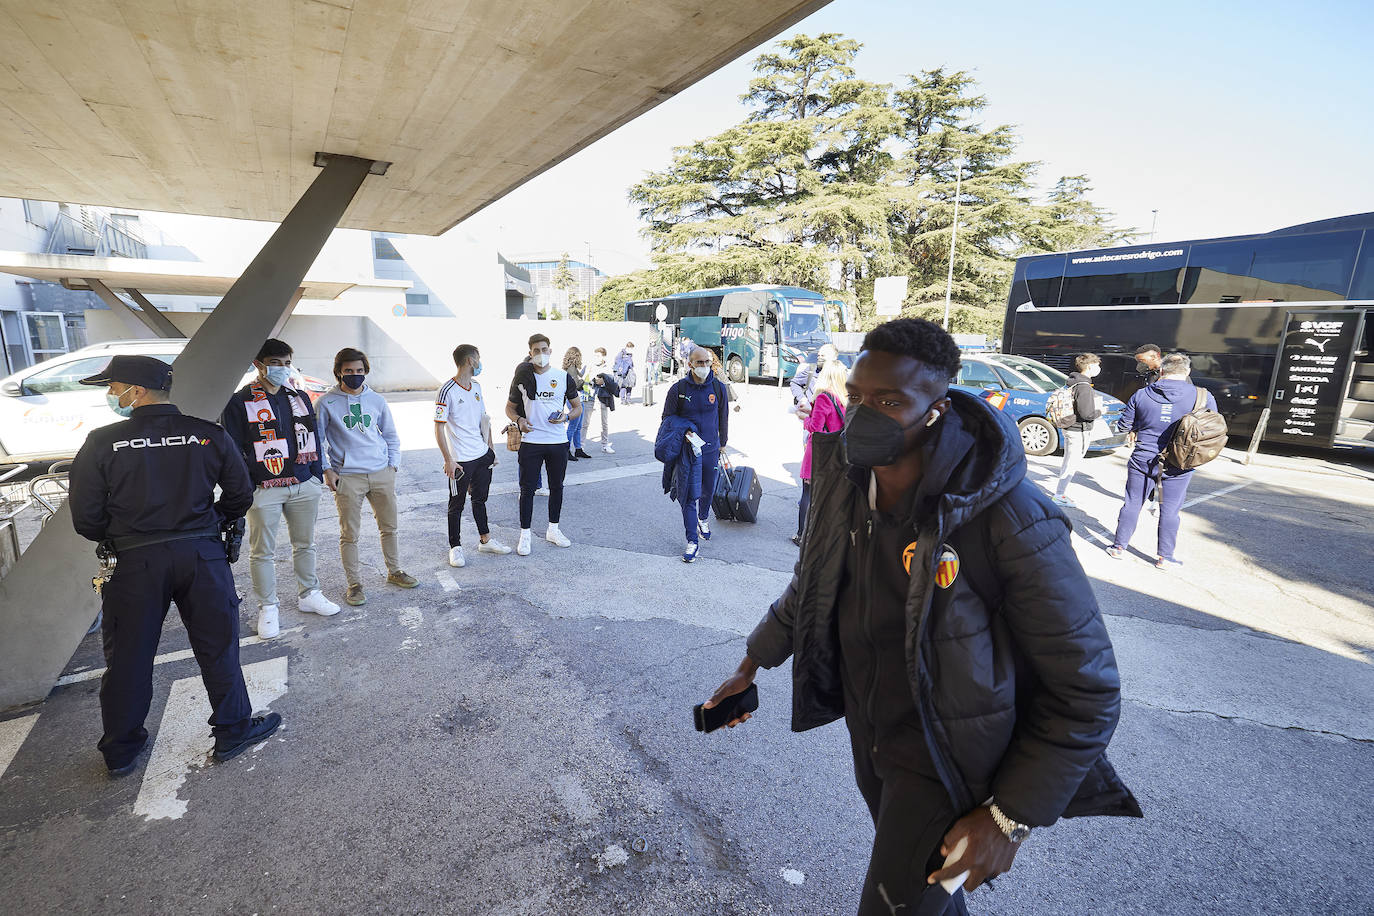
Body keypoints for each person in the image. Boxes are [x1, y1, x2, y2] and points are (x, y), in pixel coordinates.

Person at [704, 318, 1139, 915]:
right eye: (855, 396)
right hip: (874, 734)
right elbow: (813, 584)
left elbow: (1087, 689)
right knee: (931, 897)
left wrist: (1009, 819)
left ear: (935, 409)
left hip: (947, 755)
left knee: (893, 906)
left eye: (889, 401)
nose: (862, 415)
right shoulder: (852, 484)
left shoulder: (1010, 517)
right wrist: (751, 664)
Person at [69, 355, 281, 776]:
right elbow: (240, 494)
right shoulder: (207, 435)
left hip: (133, 562)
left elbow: (86, 520)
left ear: (137, 390)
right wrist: (208, 523)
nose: (112, 394)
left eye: (115, 386)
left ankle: (121, 751)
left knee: (129, 655)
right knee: (218, 647)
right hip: (202, 554)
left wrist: (130, 534)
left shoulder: (102, 441)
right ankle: (233, 731)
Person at [222, 338, 340, 639]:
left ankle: (309, 594)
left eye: (287, 363)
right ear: (259, 364)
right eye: (276, 363)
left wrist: (314, 475)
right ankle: (269, 607)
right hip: (265, 489)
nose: (283, 369)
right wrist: (249, 486)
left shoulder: (298, 396)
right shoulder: (240, 401)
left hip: (303, 483)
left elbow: (313, 436)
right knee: (263, 552)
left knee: (306, 544)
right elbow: (232, 449)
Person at [315, 347, 418, 606]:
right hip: (348, 476)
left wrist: (392, 466)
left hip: (381, 472)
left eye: (359, 371)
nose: (355, 375)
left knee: (389, 528)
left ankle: (394, 572)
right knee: (349, 534)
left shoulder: (377, 400)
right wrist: (327, 470)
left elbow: (391, 436)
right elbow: (317, 441)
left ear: (366, 371)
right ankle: (354, 584)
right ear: (339, 372)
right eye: (349, 371)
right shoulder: (326, 403)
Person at [1109, 352, 1218, 569]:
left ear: (1161, 371)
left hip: (1143, 459)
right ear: (1187, 372)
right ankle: (1164, 557)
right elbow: (1211, 429)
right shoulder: (1202, 396)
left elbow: (1123, 427)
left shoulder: (1141, 395)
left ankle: (1118, 547)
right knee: (1170, 510)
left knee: (1132, 503)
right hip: (1180, 462)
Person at [436, 344, 511, 568]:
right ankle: (455, 547)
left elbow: (484, 419)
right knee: (456, 504)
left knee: (480, 500)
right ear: (470, 361)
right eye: (478, 359)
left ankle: (485, 540)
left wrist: (491, 450)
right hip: (460, 461)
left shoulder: (477, 386)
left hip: (481, 456)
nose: (479, 363)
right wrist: (448, 459)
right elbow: (439, 428)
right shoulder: (446, 390)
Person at [506, 333, 582, 555]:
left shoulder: (562, 376)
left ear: (550, 351)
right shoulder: (522, 378)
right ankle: (525, 535)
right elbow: (509, 408)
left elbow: (577, 407)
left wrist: (566, 417)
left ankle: (553, 530)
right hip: (531, 442)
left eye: (544, 349)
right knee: (527, 490)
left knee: (557, 487)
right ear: (530, 353)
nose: (541, 354)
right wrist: (519, 420)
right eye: (536, 350)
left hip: (558, 442)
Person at [660, 347, 729, 562]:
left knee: (708, 489)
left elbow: (723, 417)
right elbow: (667, 419)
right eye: (699, 363)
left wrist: (723, 443)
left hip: (710, 449)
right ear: (690, 364)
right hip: (687, 452)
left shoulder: (718, 388)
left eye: (707, 362)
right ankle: (692, 542)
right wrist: (685, 429)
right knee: (688, 496)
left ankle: (703, 518)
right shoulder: (678, 389)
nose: (704, 367)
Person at [795, 356, 848, 545]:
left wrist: (803, 417)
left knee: (808, 494)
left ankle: (803, 535)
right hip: (835, 452)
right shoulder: (844, 398)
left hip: (819, 450)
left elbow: (815, 427)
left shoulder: (825, 396)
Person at [1051, 353, 1103, 510]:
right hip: (1078, 429)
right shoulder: (1084, 387)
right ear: (1089, 367)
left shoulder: (1073, 382)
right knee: (1071, 463)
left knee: (1068, 460)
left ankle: (1060, 493)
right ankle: (1059, 495)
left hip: (1069, 427)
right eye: (1096, 365)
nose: (1099, 368)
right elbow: (1087, 413)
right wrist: (1100, 411)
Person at [791, 343, 841, 413]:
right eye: (818, 355)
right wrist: (802, 399)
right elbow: (794, 383)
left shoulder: (842, 373)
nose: (819, 358)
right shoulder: (811, 369)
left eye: (823, 355)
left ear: (833, 357)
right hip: (812, 413)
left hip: (831, 416)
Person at [588, 347, 617, 454]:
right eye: (595, 356)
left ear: (603, 356)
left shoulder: (608, 367)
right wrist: (592, 382)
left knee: (604, 423)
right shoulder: (590, 366)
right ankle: (580, 446)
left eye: (598, 356)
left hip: (603, 398)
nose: (596, 358)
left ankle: (605, 445)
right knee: (585, 423)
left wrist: (603, 382)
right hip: (590, 397)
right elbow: (585, 380)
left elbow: (612, 382)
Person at [563, 347, 590, 461]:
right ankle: (567, 450)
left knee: (578, 426)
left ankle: (578, 449)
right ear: (576, 356)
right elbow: (577, 384)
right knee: (573, 426)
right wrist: (585, 378)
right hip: (574, 399)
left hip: (576, 399)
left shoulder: (571, 368)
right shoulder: (571, 369)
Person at [613, 341, 637, 406]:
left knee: (630, 386)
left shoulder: (629, 354)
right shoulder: (621, 353)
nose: (632, 350)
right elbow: (617, 361)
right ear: (627, 347)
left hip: (629, 372)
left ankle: (628, 400)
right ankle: (623, 400)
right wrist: (622, 369)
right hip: (623, 373)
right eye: (631, 349)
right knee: (623, 386)